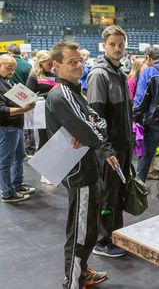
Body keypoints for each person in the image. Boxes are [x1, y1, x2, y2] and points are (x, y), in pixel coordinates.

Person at [45, 41, 117, 289]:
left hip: (87, 168)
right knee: (81, 230)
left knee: (87, 226)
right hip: (79, 172)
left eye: (79, 61)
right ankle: (73, 281)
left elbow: (99, 122)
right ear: (57, 65)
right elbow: (91, 132)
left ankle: (81, 271)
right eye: (71, 62)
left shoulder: (75, 91)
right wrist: (89, 128)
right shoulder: (61, 94)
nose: (78, 65)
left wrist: (90, 126)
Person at [86, 25, 132, 258]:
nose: (117, 48)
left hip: (123, 146)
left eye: (121, 44)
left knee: (118, 193)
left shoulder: (120, 74)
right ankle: (102, 241)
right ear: (104, 45)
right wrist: (105, 150)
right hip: (110, 149)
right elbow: (95, 117)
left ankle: (115, 235)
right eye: (112, 44)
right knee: (108, 194)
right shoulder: (99, 75)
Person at [0, 54, 36, 203]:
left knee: (20, 156)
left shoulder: (5, 81)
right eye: (9, 68)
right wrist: (24, 108)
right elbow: (1, 110)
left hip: (15, 126)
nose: (12, 72)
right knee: (6, 161)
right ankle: (7, 192)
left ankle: (17, 185)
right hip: (6, 127)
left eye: (13, 69)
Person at [133, 46, 159, 182]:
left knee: (146, 154)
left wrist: (136, 118)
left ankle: (138, 188)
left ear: (148, 57)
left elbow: (140, 99)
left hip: (154, 120)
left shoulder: (149, 72)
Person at [26, 50, 56, 149]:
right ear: (41, 62)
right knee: (44, 139)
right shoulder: (34, 76)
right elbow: (30, 96)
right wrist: (49, 94)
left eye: (52, 63)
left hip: (54, 111)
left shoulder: (53, 75)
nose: (51, 66)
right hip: (41, 112)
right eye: (49, 64)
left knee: (53, 138)